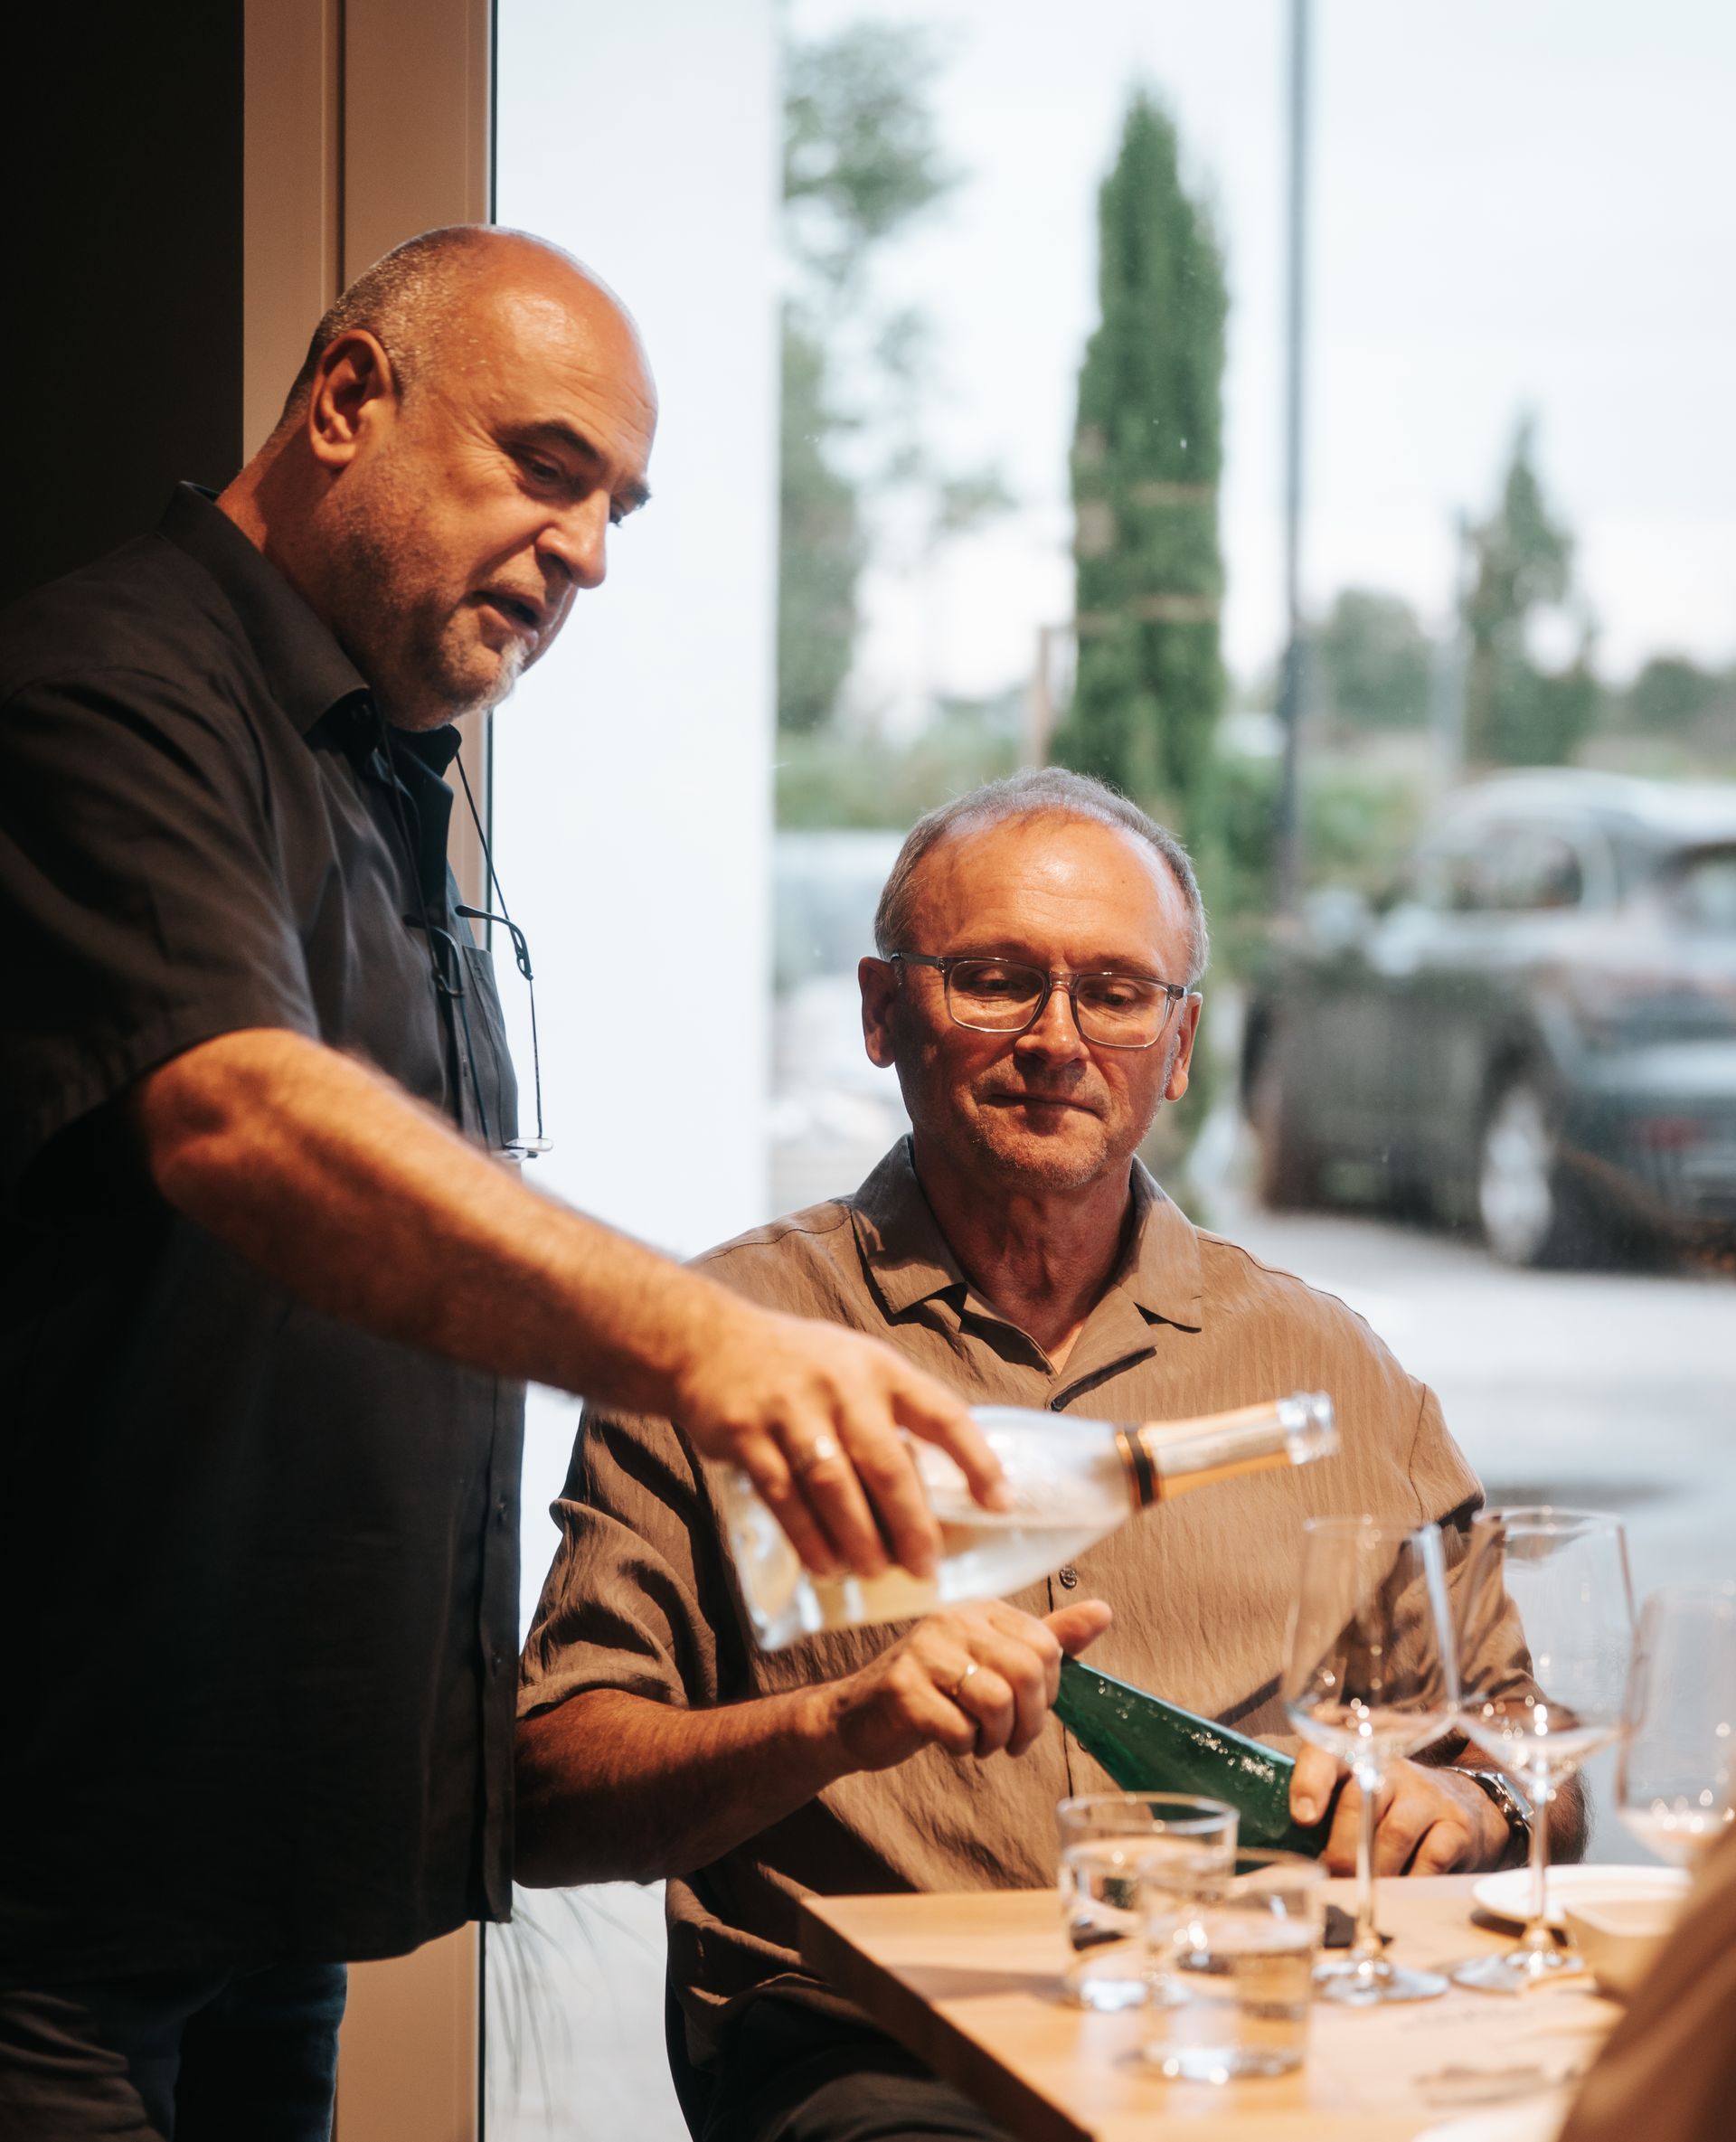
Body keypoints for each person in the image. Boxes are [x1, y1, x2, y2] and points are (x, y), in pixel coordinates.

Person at [0, 224, 1002, 2141]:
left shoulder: (383, 760)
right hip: (54, 1898)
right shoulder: (105, 689)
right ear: (347, 400)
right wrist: (713, 1346)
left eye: (619, 507)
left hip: (256, 1883)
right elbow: (241, 1117)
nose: (590, 551)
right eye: (548, 467)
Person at [515, 769, 1581, 2142]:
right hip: (882, 2055)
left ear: (1180, 1045)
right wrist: (839, 1724)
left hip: (1261, 2029)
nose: (1058, 1039)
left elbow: (1531, 1750)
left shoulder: (1337, 1373)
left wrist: (1475, 1806)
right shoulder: (724, 1347)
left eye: (1117, 993)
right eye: (997, 980)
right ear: (882, 1012)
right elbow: (546, 1792)